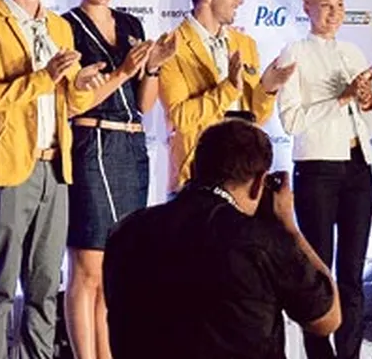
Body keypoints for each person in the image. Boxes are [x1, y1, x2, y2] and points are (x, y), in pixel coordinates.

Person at [0, 0, 107, 359]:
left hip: (55, 165)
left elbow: (68, 100)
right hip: (10, 166)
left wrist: (87, 83)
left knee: (46, 284)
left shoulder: (58, 25)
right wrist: (45, 77)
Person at [102, 119, 340, 359]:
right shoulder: (261, 240)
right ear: (259, 184)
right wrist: (289, 227)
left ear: (194, 169)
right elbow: (326, 319)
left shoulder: (126, 232)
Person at [60, 0, 176, 359]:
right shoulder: (66, 26)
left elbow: (144, 104)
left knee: (114, 268)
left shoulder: (130, 25)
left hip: (130, 145)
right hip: (91, 144)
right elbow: (77, 100)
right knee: (87, 267)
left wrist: (155, 65)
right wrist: (124, 70)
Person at [277, 0, 372, 359]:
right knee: (319, 274)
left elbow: (368, 126)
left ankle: (350, 355)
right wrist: (341, 98)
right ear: (307, 9)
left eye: (340, 4)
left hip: (358, 168)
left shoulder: (352, 52)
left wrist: (365, 103)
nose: (334, 13)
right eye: (326, 5)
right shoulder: (294, 53)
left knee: (352, 275)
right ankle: (320, 354)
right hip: (317, 169)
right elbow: (291, 121)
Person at [158, 0, 295, 196]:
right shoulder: (172, 47)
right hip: (196, 175)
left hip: (243, 176)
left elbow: (256, 118)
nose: (240, 0)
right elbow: (181, 117)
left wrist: (268, 89)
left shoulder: (245, 44)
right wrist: (229, 88)